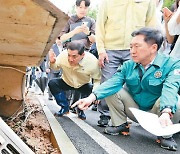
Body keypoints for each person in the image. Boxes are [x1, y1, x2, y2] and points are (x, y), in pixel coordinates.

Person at [73, 27, 180, 151]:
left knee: (176, 101)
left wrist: (166, 112)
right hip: (136, 111)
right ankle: (120, 124)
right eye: (131, 46)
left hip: (160, 114)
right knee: (113, 90)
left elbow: (170, 88)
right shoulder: (128, 65)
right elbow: (112, 83)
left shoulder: (172, 64)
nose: (132, 51)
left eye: (137, 46)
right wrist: (90, 98)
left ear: (153, 48)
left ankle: (165, 135)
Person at [95, 0, 157, 127]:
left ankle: (130, 116)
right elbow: (100, 26)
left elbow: (151, 26)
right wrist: (101, 50)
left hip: (136, 48)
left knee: (134, 83)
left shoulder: (148, 2)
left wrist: (149, 51)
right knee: (108, 80)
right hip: (110, 48)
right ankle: (105, 114)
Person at [48, 41, 101, 120]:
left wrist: (96, 94)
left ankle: (80, 109)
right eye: (69, 55)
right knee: (52, 83)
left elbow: (97, 79)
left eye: (74, 56)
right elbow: (55, 67)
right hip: (67, 81)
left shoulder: (92, 61)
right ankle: (64, 107)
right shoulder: (63, 55)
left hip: (83, 84)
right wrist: (52, 62)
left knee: (94, 93)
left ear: (82, 55)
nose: (70, 59)